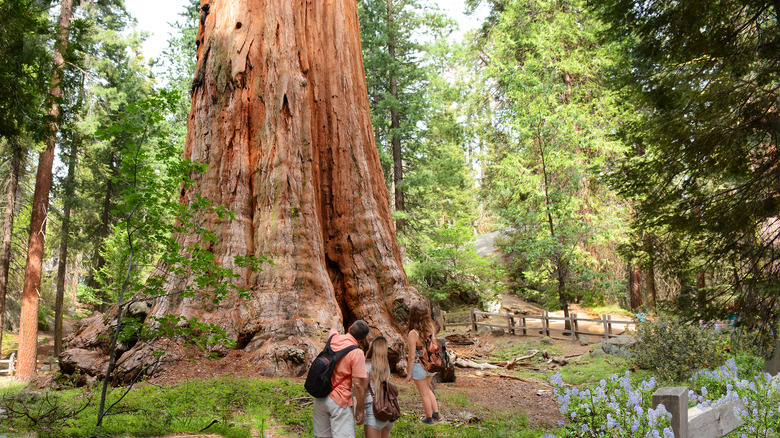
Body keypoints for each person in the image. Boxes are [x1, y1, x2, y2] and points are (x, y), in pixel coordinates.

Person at [313, 320, 370, 438]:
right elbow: (358, 384)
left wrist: (334, 319)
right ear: (363, 339)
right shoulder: (357, 353)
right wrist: (360, 409)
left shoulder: (333, 338)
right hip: (339, 401)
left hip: (320, 396)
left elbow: (333, 328)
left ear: (349, 329)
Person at [406, 302, 442, 425]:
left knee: (424, 393)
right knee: (427, 389)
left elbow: (411, 357)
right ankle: (436, 413)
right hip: (432, 364)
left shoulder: (413, 333)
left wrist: (408, 373)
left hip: (419, 367)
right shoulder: (431, 327)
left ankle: (429, 418)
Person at [364, 336, 395, 438]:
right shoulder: (387, 367)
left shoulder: (367, 366)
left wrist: (359, 409)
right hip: (387, 411)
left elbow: (363, 388)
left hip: (374, 411)